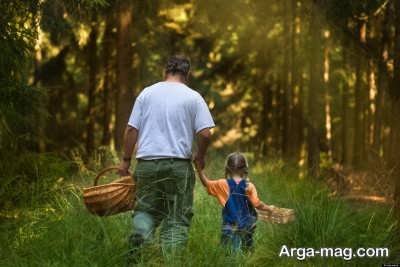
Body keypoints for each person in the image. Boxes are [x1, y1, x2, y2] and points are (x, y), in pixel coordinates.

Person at [118, 55, 215, 261]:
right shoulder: (193, 97)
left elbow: (131, 129)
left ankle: (136, 257)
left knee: (145, 211)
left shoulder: (146, 94)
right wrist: (200, 156)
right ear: (186, 74)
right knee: (177, 218)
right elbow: (206, 134)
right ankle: (170, 262)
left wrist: (126, 160)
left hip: (147, 165)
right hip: (178, 166)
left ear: (165, 71)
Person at [195, 152, 273, 253]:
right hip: (247, 226)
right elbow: (257, 204)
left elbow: (206, 183)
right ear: (245, 169)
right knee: (247, 250)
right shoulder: (249, 186)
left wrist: (199, 170)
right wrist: (269, 208)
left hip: (229, 225)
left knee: (229, 252)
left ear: (227, 169)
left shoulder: (222, 184)